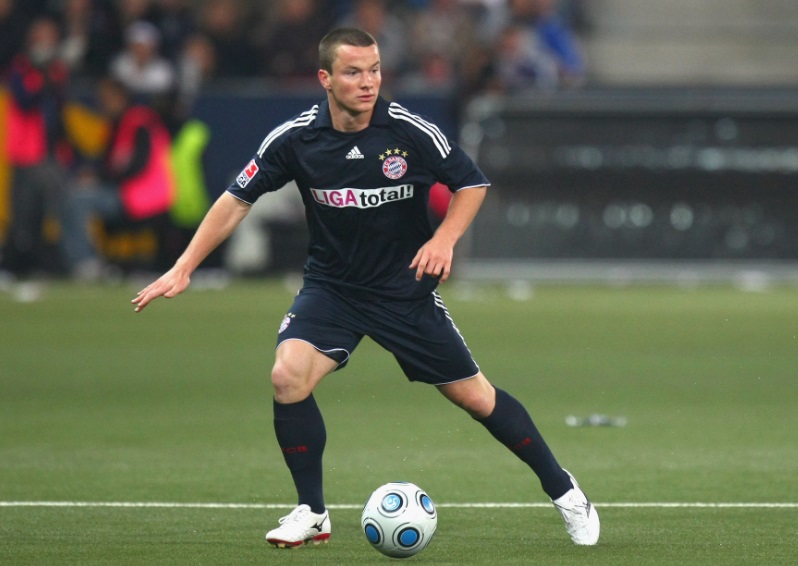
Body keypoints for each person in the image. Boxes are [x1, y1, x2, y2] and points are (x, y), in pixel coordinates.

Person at [131, 27, 600, 548]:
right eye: (353, 72)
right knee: (287, 376)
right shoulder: (296, 139)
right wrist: (184, 266)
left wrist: (443, 239)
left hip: (404, 291)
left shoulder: (409, 130)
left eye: (374, 70)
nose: (368, 81)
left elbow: (471, 183)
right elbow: (236, 199)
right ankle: (312, 512)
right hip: (333, 290)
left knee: (476, 398)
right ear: (325, 78)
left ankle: (565, 491)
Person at [60, 76, 173, 278]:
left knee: (78, 200)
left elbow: (136, 166)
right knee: (70, 195)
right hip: (126, 191)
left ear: (120, 97)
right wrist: (94, 175)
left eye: (107, 98)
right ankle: (80, 261)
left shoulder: (139, 122)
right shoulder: (116, 125)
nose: (103, 104)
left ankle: (86, 264)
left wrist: (98, 177)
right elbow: (107, 163)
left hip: (143, 195)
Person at [1, 16, 72, 277]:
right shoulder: (22, 66)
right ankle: (16, 264)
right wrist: (40, 73)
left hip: (49, 153)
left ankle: (42, 263)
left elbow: (60, 104)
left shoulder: (56, 68)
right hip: (25, 152)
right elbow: (25, 99)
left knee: (48, 211)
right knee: (23, 212)